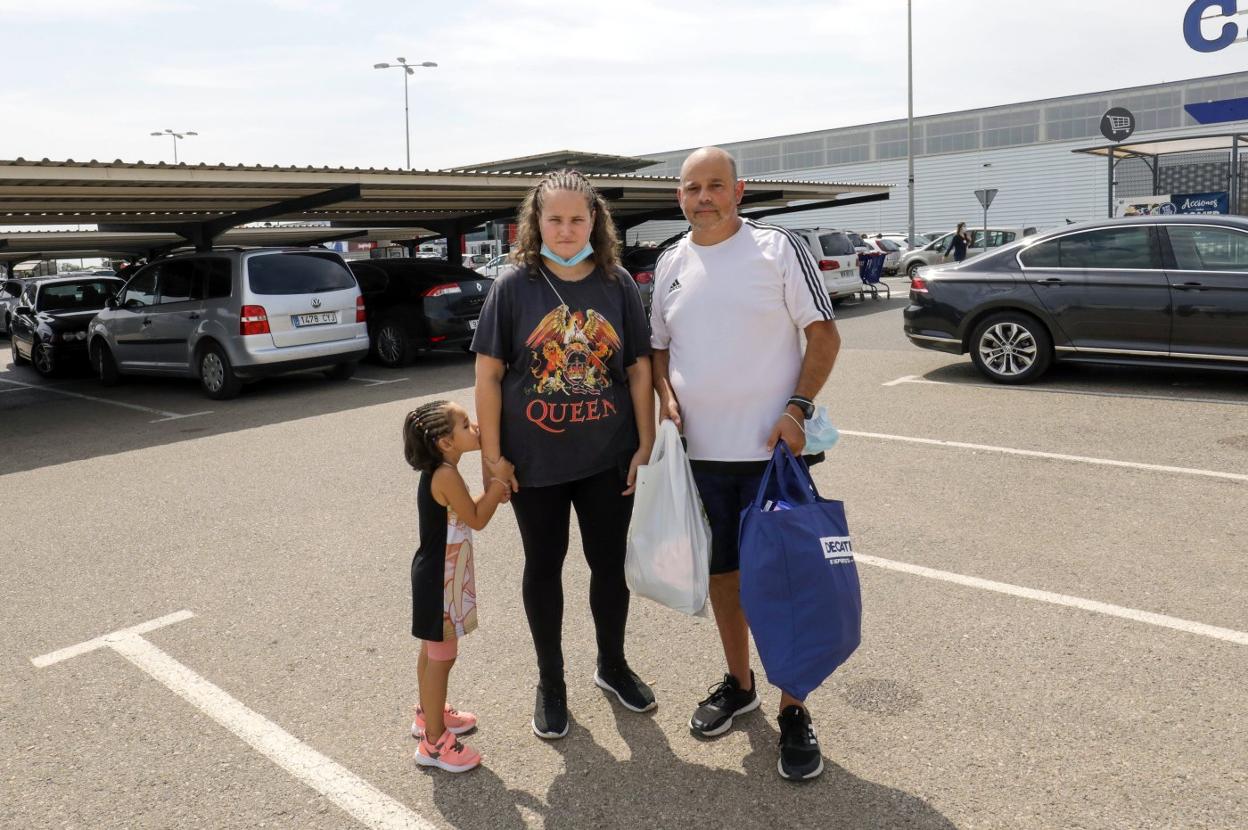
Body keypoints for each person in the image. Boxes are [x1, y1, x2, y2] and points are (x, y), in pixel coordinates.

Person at [649, 147, 842, 781]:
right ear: (679, 195)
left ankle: (794, 709)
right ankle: (740, 682)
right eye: (690, 187)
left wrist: (797, 409)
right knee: (725, 579)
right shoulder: (670, 262)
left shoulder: (778, 250)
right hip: (701, 461)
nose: (701, 197)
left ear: (739, 191)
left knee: (784, 584)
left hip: (770, 460)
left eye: (714, 186)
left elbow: (824, 334)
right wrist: (667, 395)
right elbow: (659, 349)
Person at [472, 169, 657, 741]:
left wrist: (646, 440)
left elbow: (637, 367)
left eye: (579, 218)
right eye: (555, 218)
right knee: (543, 568)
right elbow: (488, 375)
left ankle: (612, 665)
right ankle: (551, 683)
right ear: (535, 222)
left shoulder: (616, 282)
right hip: (535, 465)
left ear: (596, 221)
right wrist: (493, 460)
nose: (567, 228)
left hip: (608, 456)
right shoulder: (513, 285)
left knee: (609, 567)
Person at [405, 400, 513, 773]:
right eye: (466, 424)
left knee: (432, 652)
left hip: (436, 574)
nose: (476, 427)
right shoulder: (445, 476)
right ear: (444, 442)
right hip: (441, 580)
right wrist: (500, 481)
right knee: (443, 657)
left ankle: (428, 715)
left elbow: (468, 513)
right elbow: (478, 518)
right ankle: (433, 744)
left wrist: (494, 485)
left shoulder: (443, 468)